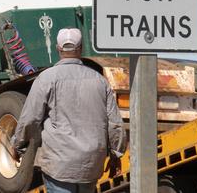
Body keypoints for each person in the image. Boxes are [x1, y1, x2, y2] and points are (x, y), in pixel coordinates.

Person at [11, 28, 125, 193]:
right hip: (91, 164)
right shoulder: (100, 81)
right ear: (81, 48)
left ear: (58, 48)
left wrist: (17, 144)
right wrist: (116, 155)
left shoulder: (46, 78)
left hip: (59, 163)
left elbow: (30, 118)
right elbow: (114, 123)